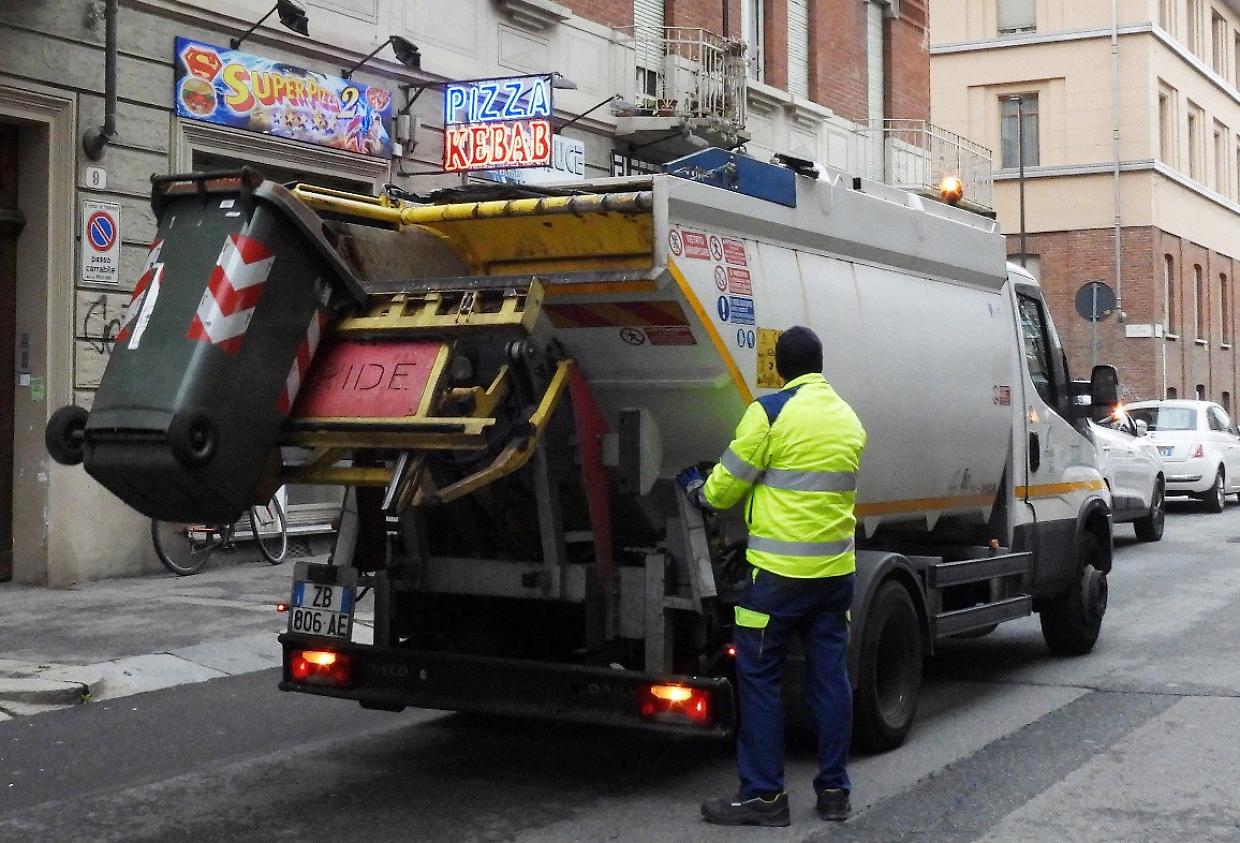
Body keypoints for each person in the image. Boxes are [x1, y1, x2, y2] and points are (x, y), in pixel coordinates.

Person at [677, 326, 866, 828]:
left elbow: (723, 490)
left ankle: (763, 796)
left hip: (779, 577)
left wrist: (698, 488)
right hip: (835, 575)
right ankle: (833, 793)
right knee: (830, 680)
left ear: (779, 368)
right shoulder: (848, 419)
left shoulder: (770, 413)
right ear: (819, 364)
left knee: (759, 677)